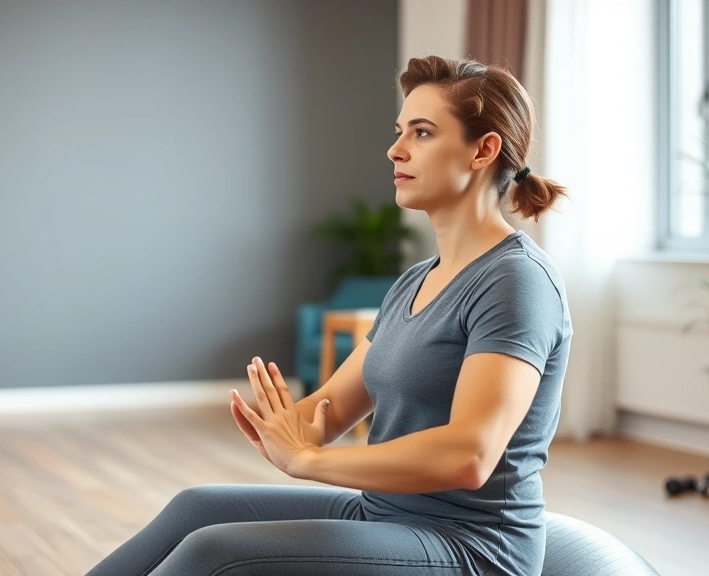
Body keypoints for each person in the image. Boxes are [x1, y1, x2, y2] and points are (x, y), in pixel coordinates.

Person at [86, 55, 572, 576]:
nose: (395, 148)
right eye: (400, 130)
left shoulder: (515, 282)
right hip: (384, 514)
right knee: (197, 507)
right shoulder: (415, 281)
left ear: (483, 149)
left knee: (215, 554)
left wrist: (309, 461)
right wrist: (279, 426)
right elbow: (330, 412)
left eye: (422, 133)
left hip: (472, 546)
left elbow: (470, 455)